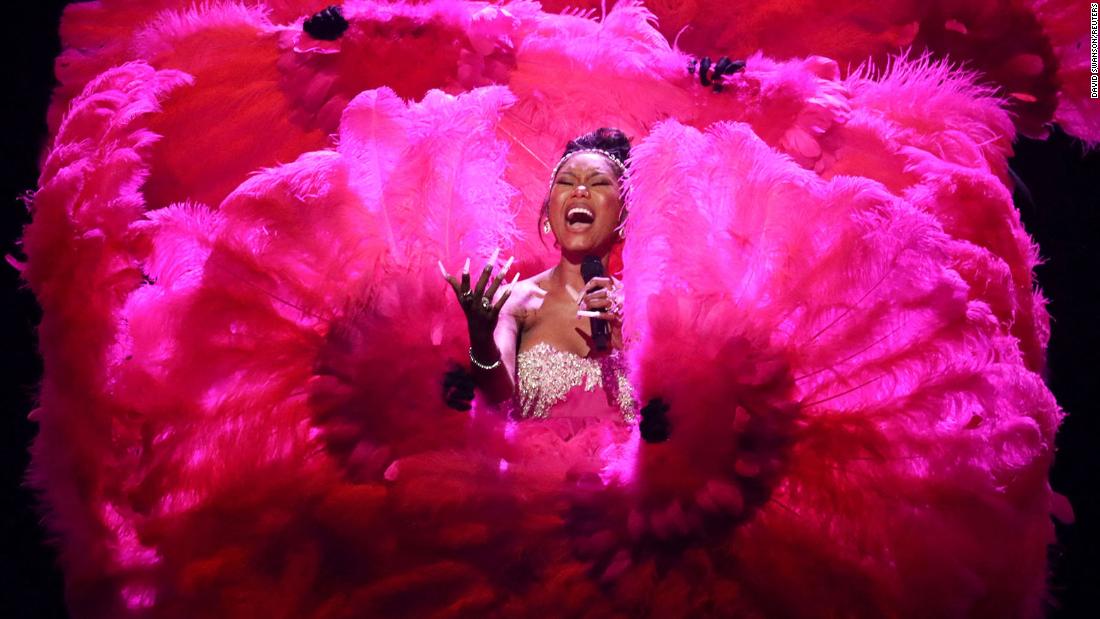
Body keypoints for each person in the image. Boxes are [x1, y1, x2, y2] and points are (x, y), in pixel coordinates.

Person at [440, 128, 639, 481]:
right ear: (548, 213)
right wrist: (481, 339)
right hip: (533, 499)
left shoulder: (645, 306)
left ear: (624, 218)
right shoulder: (516, 300)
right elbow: (496, 394)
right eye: (567, 182)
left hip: (624, 505)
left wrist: (627, 333)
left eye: (598, 183)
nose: (580, 190)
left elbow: (667, 406)